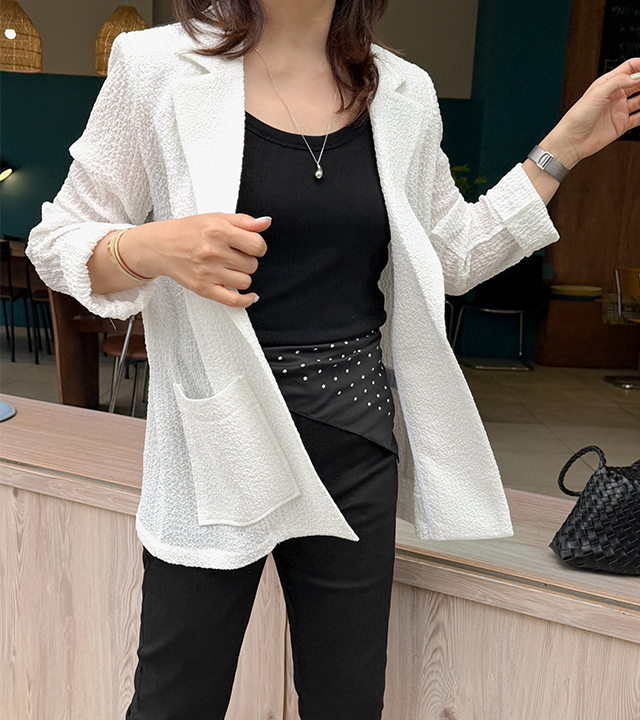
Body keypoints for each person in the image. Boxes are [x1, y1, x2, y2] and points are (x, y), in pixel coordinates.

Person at [27, 0, 640, 717]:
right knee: (175, 701)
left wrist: (563, 147)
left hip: (353, 439)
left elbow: (453, 255)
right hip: (216, 442)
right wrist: (149, 247)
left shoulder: (402, 91)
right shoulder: (157, 67)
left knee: (346, 703)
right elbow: (58, 241)